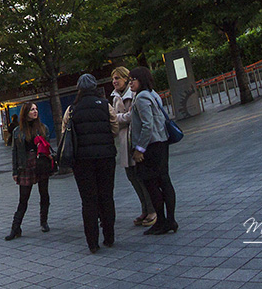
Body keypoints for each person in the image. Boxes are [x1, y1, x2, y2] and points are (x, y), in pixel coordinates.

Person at [63, 73, 118, 253]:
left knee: (88, 201)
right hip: (106, 157)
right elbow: (115, 128)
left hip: (82, 160)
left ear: (79, 89)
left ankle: (92, 243)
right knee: (106, 197)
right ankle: (109, 236)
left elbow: (65, 133)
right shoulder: (105, 105)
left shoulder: (71, 109)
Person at [129, 66, 178, 235]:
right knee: (165, 181)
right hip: (162, 142)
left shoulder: (141, 98)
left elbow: (147, 125)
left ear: (141, 79)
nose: (130, 84)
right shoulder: (153, 94)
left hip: (151, 146)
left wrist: (139, 149)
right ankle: (170, 220)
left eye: (133, 80)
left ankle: (162, 221)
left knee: (151, 184)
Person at [111, 66, 155, 228]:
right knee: (132, 178)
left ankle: (152, 210)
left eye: (117, 78)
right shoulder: (116, 97)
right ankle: (144, 208)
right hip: (123, 142)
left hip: (134, 140)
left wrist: (116, 118)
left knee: (141, 177)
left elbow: (131, 117)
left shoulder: (135, 95)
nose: (114, 82)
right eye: (113, 79)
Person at [6, 101, 51, 239]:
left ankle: (44, 221)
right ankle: (15, 228)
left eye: (36, 109)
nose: (35, 111)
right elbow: (14, 152)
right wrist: (15, 171)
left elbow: (47, 148)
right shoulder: (17, 131)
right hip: (25, 165)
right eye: (32, 110)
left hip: (41, 163)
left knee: (44, 193)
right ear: (25, 113)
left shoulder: (43, 128)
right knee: (23, 198)